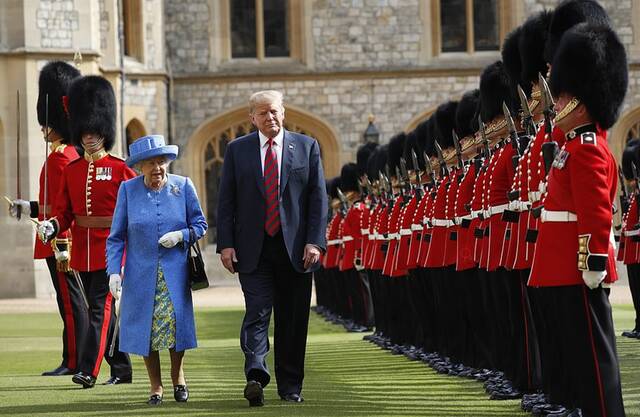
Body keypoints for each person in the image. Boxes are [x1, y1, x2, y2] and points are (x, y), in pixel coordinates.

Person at [529, 22, 627, 417]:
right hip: (559, 263)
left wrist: (593, 262)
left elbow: (596, 212)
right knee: (574, 351)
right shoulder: (571, 146)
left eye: (563, 96)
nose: (555, 104)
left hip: (577, 266)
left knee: (592, 354)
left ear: (581, 103)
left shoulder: (587, 149)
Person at [217, 90, 327, 406]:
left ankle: (290, 387)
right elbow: (227, 202)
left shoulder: (307, 147)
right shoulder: (237, 151)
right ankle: (256, 374)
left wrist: (315, 241)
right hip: (254, 250)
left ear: (284, 112)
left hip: (296, 251)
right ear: (252, 118)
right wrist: (225, 245)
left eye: (274, 111)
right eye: (263, 113)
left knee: (292, 320)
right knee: (257, 313)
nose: (270, 118)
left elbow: (318, 200)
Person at [37, 75, 133, 388]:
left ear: (105, 132)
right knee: (102, 309)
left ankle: (88, 369)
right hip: (82, 247)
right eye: (85, 132)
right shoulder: (74, 169)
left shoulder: (120, 169)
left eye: (95, 132)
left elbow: (136, 207)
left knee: (99, 307)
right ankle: (121, 367)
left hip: (111, 247)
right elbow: (65, 212)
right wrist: (53, 224)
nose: (90, 137)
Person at [106, 135, 207, 405]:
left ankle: (178, 377)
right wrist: (114, 272)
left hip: (175, 273)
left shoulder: (183, 186)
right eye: (151, 163)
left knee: (176, 328)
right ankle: (155, 386)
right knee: (147, 331)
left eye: (161, 162)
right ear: (140, 166)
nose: (157, 168)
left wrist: (181, 236)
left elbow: (200, 224)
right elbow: (116, 237)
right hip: (140, 276)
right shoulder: (128, 190)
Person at [7, 61, 88, 376]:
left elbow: (61, 209)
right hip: (57, 236)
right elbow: (53, 205)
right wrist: (27, 206)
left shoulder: (60, 159)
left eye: (46, 123)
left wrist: (48, 222)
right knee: (70, 301)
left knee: (70, 303)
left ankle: (74, 361)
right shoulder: (67, 156)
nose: (43, 128)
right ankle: (75, 357)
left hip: (60, 242)